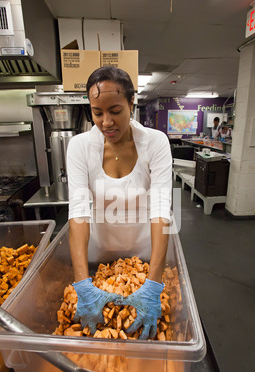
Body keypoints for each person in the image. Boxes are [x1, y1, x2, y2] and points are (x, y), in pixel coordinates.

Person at [67, 66, 172, 340]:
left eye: (115, 111)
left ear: (131, 104)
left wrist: (153, 283)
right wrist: (82, 284)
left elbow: (161, 210)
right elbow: (78, 212)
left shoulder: (156, 143)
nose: (106, 123)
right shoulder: (79, 147)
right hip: (98, 259)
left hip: (145, 259)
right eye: (97, 112)